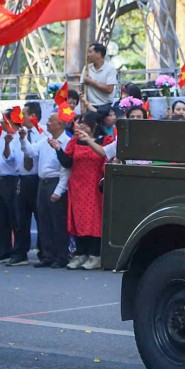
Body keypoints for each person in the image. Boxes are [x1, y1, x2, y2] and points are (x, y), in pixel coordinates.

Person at [58, 113, 113, 270]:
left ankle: (95, 255)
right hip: (77, 187)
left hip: (95, 187)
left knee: (94, 221)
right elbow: (67, 162)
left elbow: (106, 159)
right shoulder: (74, 142)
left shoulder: (105, 140)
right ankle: (81, 254)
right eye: (79, 123)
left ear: (94, 125)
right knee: (79, 221)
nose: (80, 126)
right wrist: (57, 149)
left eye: (84, 124)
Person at [25, 112, 71, 268]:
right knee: (44, 220)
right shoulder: (45, 140)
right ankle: (48, 255)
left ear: (60, 124)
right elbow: (30, 151)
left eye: (51, 121)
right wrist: (22, 138)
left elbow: (66, 169)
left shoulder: (66, 141)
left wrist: (59, 190)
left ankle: (61, 256)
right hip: (42, 183)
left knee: (57, 222)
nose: (48, 123)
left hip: (55, 182)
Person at [0, 111, 22, 265]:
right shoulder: (1, 138)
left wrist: (8, 144)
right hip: (0, 179)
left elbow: (10, 158)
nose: (1, 122)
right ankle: (3, 250)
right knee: (0, 218)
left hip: (12, 180)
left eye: (4, 120)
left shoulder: (18, 138)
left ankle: (17, 251)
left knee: (14, 217)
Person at [14, 102, 42, 266]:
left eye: (23, 114)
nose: (20, 117)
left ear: (33, 116)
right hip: (22, 179)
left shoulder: (43, 132)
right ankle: (20, 252)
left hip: (37, 179)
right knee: (20, 219)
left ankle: (44, 251)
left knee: (41, 217)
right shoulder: (18, 133)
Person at [80, 42, 118, 110]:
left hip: (105, 106)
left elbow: (109, 89)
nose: (88, 55)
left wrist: (91, 82)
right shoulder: (87, 68)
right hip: (89, 105)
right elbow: (82, 89)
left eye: (90, 52)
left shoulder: (110, 69)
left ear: (98, 54)